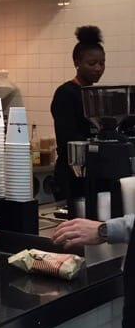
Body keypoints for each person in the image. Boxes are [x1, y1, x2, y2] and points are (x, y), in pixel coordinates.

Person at [50, 25, 105, 203]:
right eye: (92, 63)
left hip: (94, 173)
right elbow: (67, 138)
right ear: (77, 63)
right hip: (71, 175)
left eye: (102, 63)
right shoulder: (66, 93)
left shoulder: (96, 94)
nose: (98, 68)